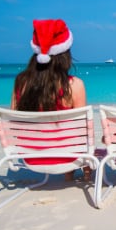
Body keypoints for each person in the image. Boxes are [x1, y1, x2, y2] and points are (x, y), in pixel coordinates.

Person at [11, 19, 91, 181]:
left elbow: (14, 122)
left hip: (31, 157)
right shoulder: (74, 85)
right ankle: (69, 173)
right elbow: (80, 132)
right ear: (65, 54)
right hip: (67, 158)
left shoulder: (21, 82)